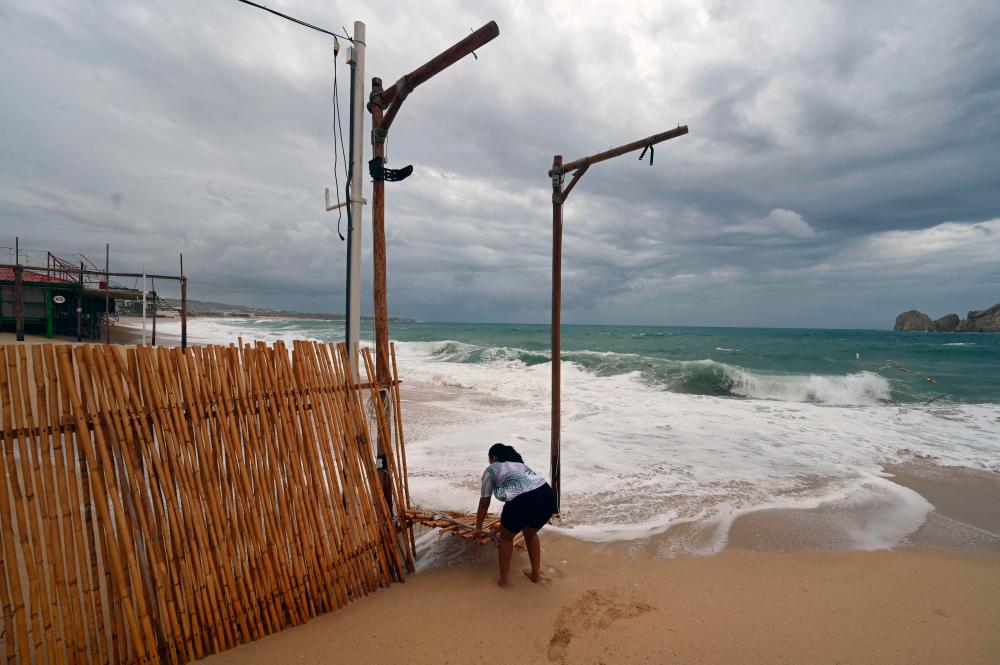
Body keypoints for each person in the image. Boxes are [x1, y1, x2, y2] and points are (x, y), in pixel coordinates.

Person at [472, 443, 557, 587]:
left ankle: (504, 582)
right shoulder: (521, 466)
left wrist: (478, 528)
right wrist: (504, 525)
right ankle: (535, 575)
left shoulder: (491, 469)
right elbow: (524, 496)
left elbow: (484, 502)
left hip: (524, 500)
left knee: (506, 538)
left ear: (493, 457)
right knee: (530, 534)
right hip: (547, 497)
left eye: (489, 460)